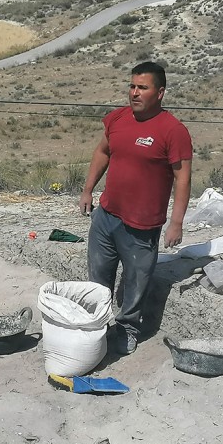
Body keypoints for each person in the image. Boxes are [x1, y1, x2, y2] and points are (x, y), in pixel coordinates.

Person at [79, 61, 193, 355]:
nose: (134, 93)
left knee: (136, 282)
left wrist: (176, 222)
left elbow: (183, 178)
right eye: (132, 86)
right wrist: (88, 190)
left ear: (160, 92)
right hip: (106, 217)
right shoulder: (117, 119)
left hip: (141, 227)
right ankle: (99, 327)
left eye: (143, 87)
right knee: (98, 278)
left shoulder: (173, 130)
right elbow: (102, 152)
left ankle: (128, 329)